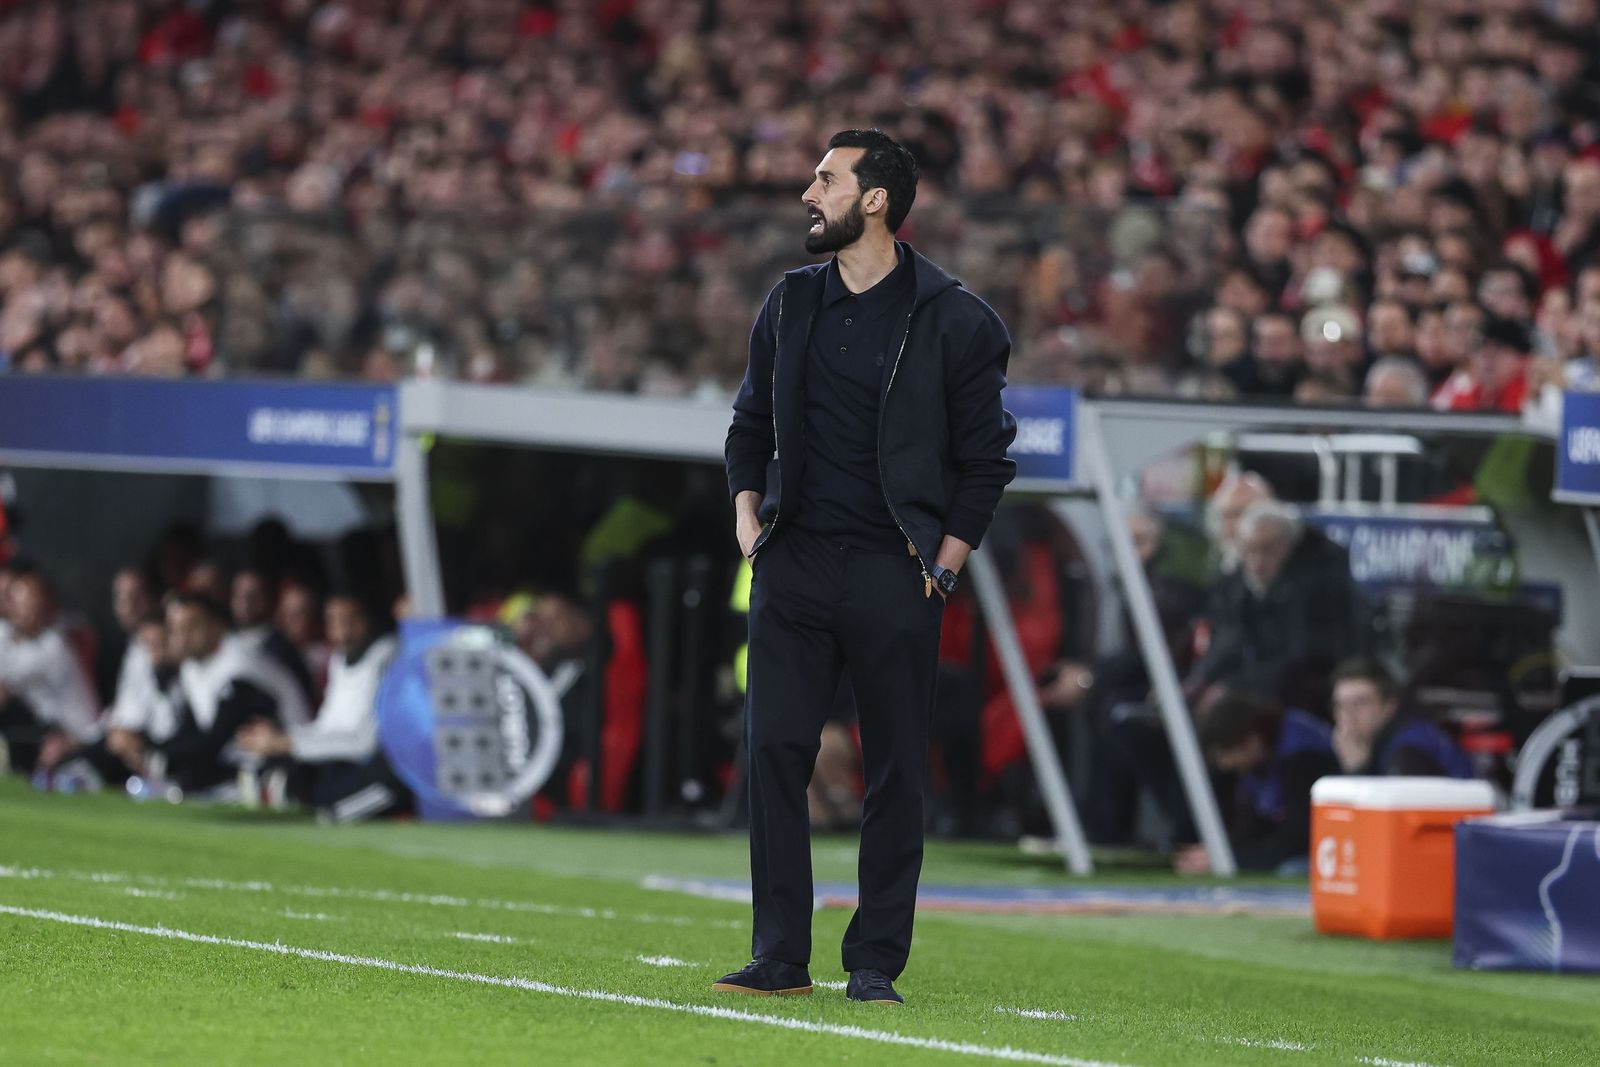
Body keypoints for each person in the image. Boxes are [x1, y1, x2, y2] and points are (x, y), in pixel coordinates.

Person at [720, 129, 1016, 1004]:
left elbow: (986, 462)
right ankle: (779, 954)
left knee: (894, 769)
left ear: (875, 200)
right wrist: (748, 520)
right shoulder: (790, 302)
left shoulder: (958, 318)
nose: (808, 193)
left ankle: (874, 960)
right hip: (794, 561)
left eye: (826, 179)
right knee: (775, 749)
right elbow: (747, 425)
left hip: (897, 568)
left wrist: (944, 565)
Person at [234, 593, 408, 821]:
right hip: (340, 760)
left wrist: (287, 742)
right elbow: (326, 726)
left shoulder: (389, 655)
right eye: (334, 621)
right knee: (275, 764)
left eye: (351, 620)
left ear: (370, 620)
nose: (342, 630)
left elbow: (364, 744)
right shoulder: (339, 659)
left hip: (380, 764)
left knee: (341, 795)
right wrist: (279, 739)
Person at [1187, 500, 1360, 712]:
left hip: (1300, 699)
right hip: (1245, 688)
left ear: (1289, 546)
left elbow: (1303, 661)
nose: (1257, 562)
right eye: (1249, 550)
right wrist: (1199, 681)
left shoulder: (1320, 588)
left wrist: (1234, 688)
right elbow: (1226, 644)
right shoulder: (1233, 586)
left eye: (1267, 549)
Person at [154, 592, 309, 793]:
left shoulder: (239, 662)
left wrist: (158, 755)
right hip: (239, 755)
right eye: (176, 628)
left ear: (217, 625)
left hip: (292, 754)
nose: (182, 636)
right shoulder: (192, 665)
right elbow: (196, 729)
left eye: (191, 626)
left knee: (189, 777)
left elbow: (217, 738)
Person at [1179, 689, 1340, 874]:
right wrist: (1220, 851)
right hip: (1297, 844)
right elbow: (1252, 826)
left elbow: (1295, 840)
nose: (1226, 765)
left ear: (1251, 740)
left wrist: (1230, 858)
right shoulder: (1260, 761)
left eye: (1227, 754)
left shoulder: (1303, 757)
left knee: (1290, 870)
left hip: (1328, 847)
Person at [0, 570, 100, 775]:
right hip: (37, 729)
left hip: (75, 739)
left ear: (47, 606)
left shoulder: (53, 645)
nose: (28, 612)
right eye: (21, 604)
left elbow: (4, 691)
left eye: (34, 605)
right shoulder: (6, 633)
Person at [1329, 657, 1473, 779]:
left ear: (1389, 706)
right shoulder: (1383, 742)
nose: (1348, 714)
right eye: (1340, 705)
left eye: (1361, 703)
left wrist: (1358, 769)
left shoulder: (1408, 752)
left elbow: (1406, 802)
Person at [230, 568, 317, 706]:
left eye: (253, 595)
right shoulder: (224, 641)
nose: (245, 601)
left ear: (269, 599)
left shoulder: (283, 649)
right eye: (239, 594)